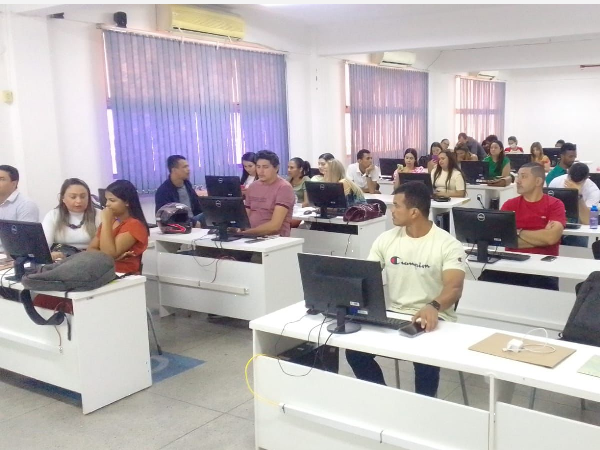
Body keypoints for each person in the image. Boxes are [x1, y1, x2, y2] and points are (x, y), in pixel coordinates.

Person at [345, 181, 466, 397]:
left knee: (425, 362)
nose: (391, 210)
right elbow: (367, 276)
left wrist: (433, 306)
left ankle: (423, 408)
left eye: (397, 206)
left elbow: (454, 286)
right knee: (354, 352)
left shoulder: (447, 244)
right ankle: (385, 399)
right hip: (395, 315)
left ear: (414, 212)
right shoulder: (386, 239)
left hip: (435, 318)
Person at [479, 163, 566, 290]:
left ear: (538, 181)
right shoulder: (509, 205)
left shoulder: (555, 205)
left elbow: (551, 238)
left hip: (543, 268)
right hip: (511, 264)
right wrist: (541, 239)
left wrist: (517, 232)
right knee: (483, 282)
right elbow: (502, 240)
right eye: (518, 176)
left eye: (524, 177)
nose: (518, 181)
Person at [88, 180, 149, 274]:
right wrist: (115, 257)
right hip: (103, 272)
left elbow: (108, 254)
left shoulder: (134, 225)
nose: (107, 204)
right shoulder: (111, 221)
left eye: (112, 200)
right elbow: (90, 249)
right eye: (106, 199)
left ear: (127, 202)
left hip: (124, 276)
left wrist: (106, 222)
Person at [237, 150, 295, 237]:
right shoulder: (253, 186)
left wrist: (246, 233)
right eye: (258, 167)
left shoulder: (284, 187)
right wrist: (237, 229)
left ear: (276, 168)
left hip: (274, 238)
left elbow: (275, 226)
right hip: (250, 236)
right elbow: (245, 216)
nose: (261, 171)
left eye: (265, 167)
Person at [42, 178, 101, 261]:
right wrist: (49, 254)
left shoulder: (99, 215)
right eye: (73, 197)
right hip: (61, 261)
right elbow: (44, 245)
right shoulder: (53, 215)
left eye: (83, 196)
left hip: (91, 260)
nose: (79, 201)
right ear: (63, 198)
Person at [549, 162, 600, 249]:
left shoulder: (593, 190)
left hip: (579, 227)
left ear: (586, 178)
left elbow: (587, 221)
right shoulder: (556, 182)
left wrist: (578, 195)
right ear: (568, 173)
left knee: (579, 242)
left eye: (578, 183)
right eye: (570, 179)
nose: (572, 184)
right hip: (555, 224)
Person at [155, 155, 202, 225]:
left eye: (188, 166)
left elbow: (197, 207)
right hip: (178, 225)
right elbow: (167, 217)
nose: (188, 169)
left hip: (193, 220)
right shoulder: (163, 191)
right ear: (174, 170)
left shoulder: (187, 185)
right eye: (185, 167)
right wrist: (194, 223)